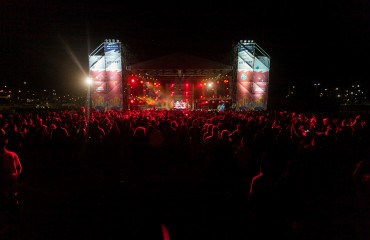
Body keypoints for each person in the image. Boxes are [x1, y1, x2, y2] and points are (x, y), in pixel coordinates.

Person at [0, 129, 23, 209]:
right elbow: (19, 168)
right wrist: (15, 175)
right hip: (13, 177)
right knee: (13, 193)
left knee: (4, 193)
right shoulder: (13, 154)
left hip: (3, 177)